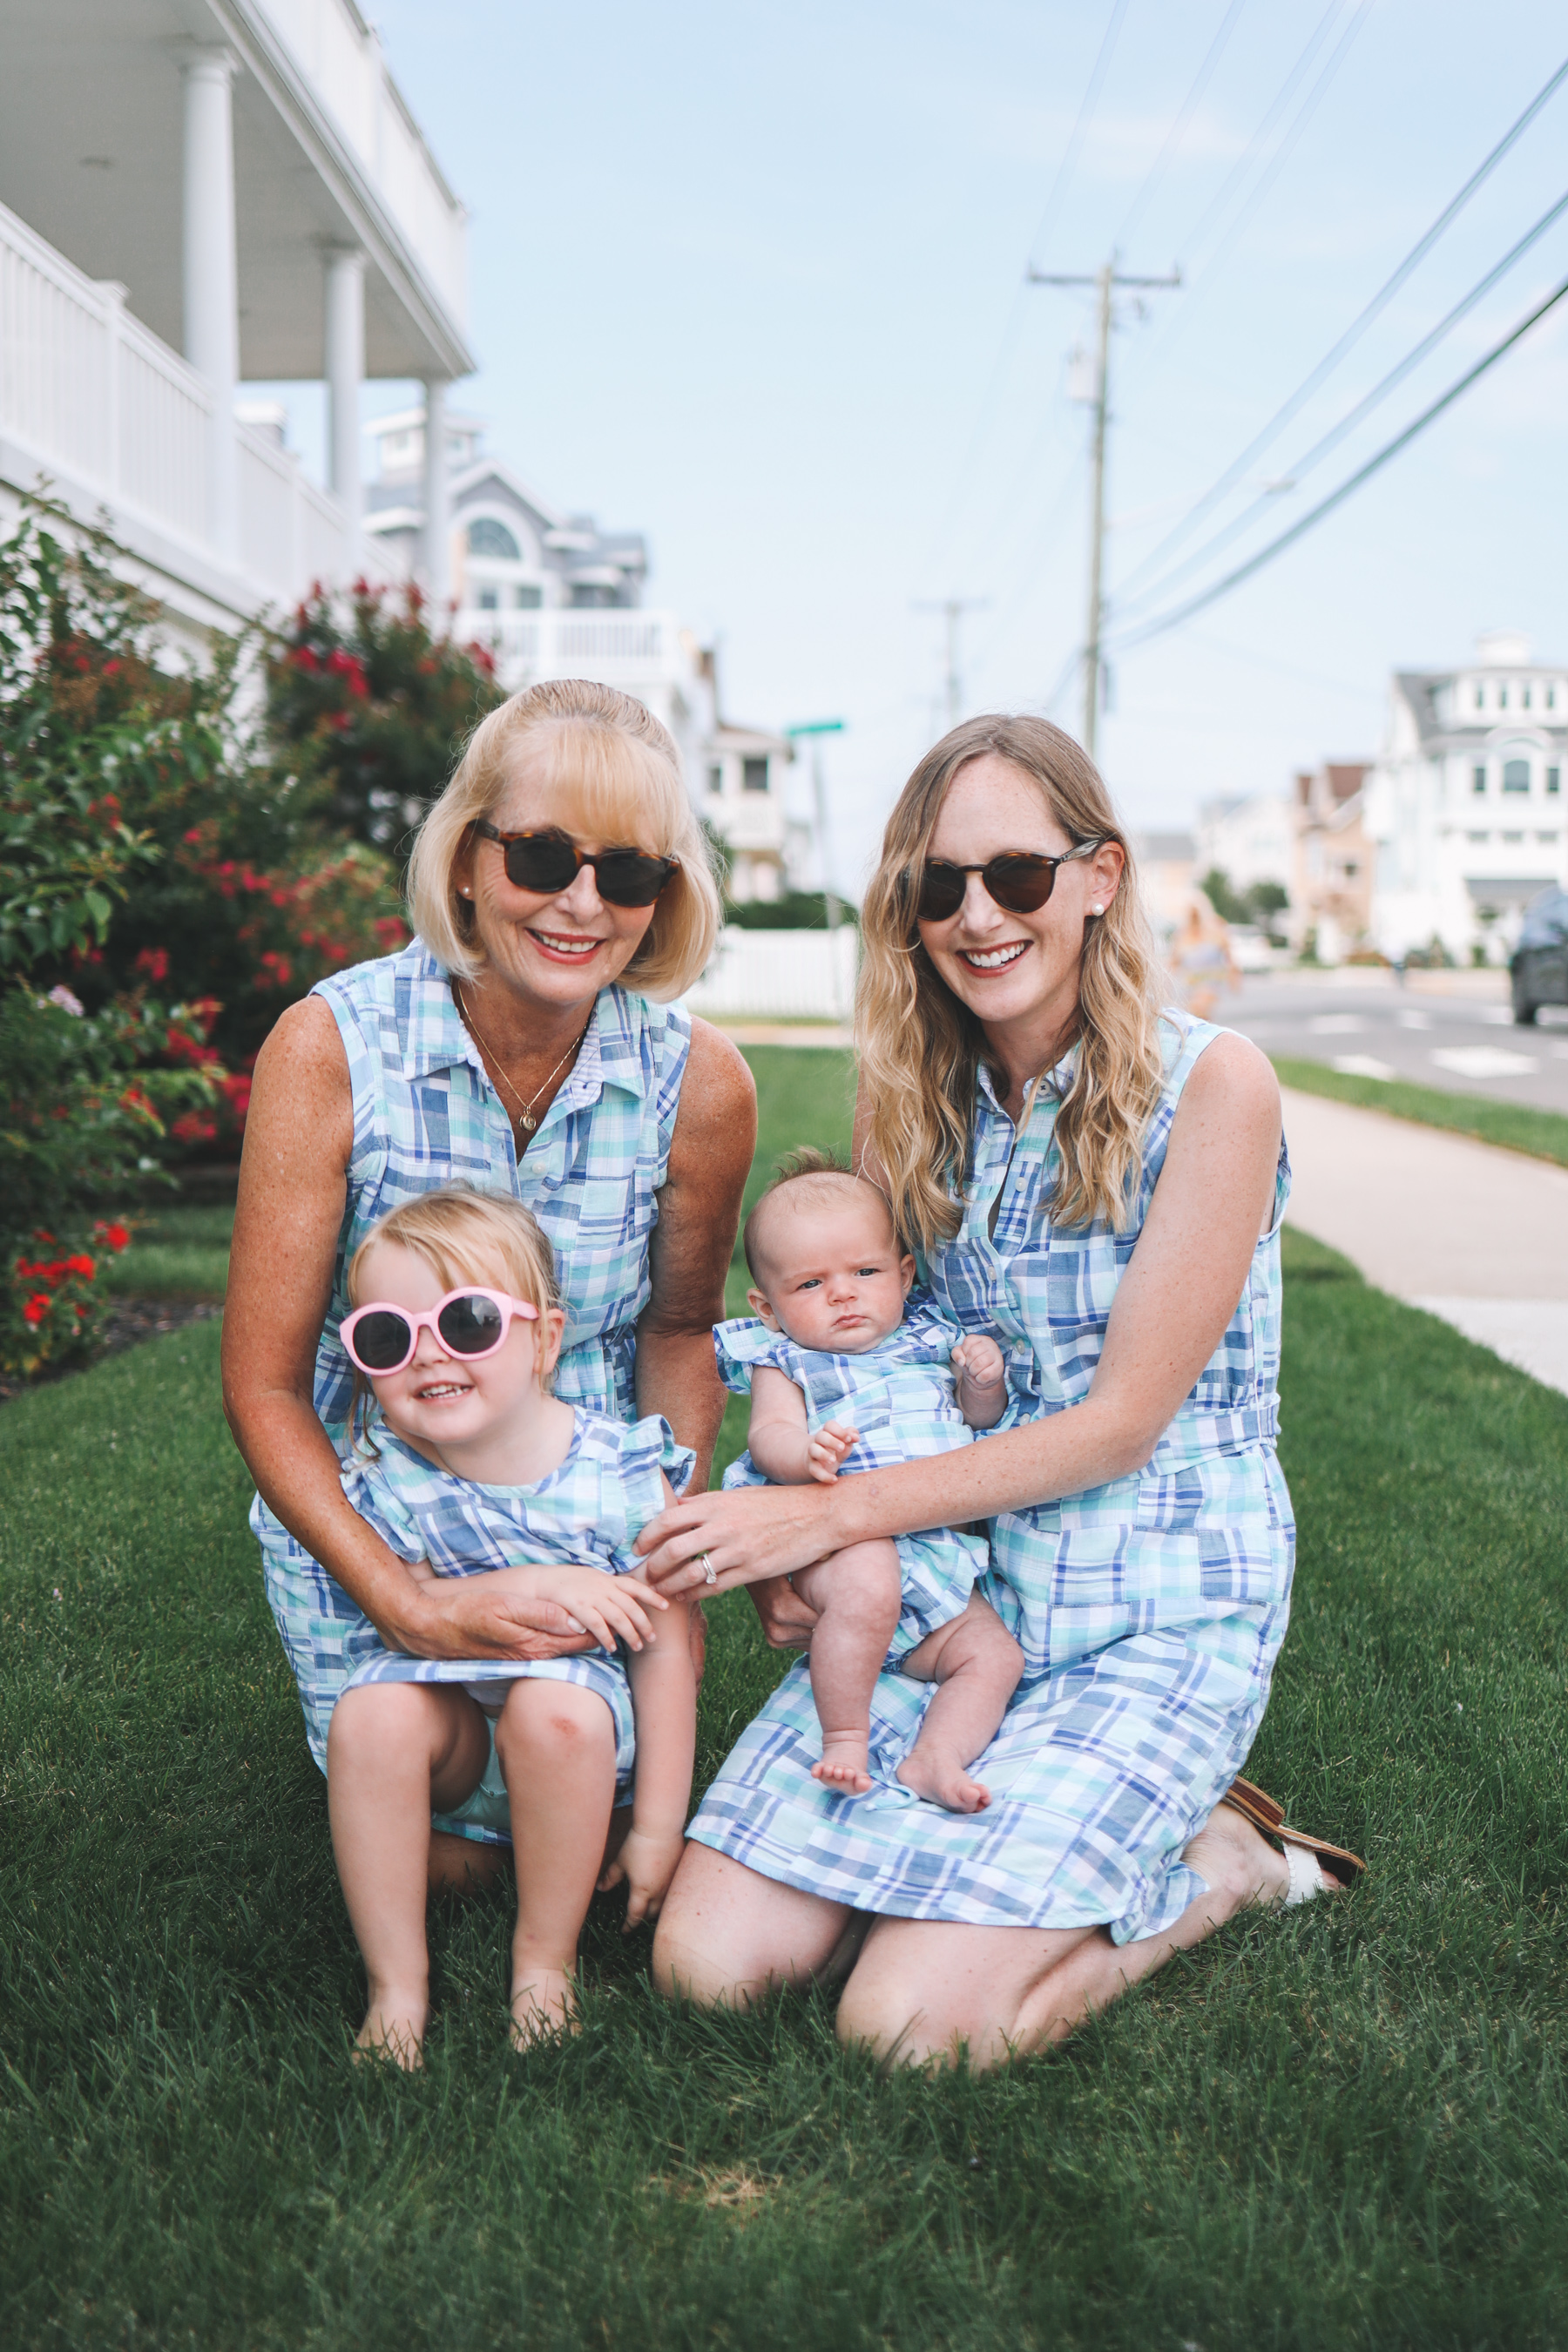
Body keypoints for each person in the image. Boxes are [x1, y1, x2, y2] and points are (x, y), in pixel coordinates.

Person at [639, 714, 1364, 2071]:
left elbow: (1119, 1424)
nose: (978, 915)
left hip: (1152, 1600)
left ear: (1100, 876)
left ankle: (1226, 1863)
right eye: (938, 885)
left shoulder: (1214, 1085)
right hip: (957, 1593)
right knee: (707, 1969)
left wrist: (820, 1525)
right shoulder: (906, 1100)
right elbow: (854, 1360)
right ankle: (972, 1872)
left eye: (1017, 876)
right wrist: (824, 1539)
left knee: (910, 2030)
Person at [223, 679, 754, 1896]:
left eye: (628, 874)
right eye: (544, 856)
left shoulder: (702, 1084)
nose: (583, 903)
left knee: (536, 1827)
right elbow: (262, 1384)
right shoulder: (329, 1046)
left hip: (583, 1535)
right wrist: (405, 1600)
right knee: (435, 1848)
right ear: (466, 859)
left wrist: (660, 1554)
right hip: (377, 1532)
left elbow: (680, 1332)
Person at [328, 1189, 695, 2061]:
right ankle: (396, 1989)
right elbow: (415, 1604)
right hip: (454, 1772)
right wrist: (538, 1577)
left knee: (552, 1707)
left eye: (468, 1322)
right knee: (371, 1710)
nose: (429, 1356)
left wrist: (657, 1827)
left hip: (575, 1769)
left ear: (545, 1339)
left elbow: (668, 1650)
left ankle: (543, 1965)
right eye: (388, 1336)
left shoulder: (618, 1470)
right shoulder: (389, 1476)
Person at [716, 1150, 1022, 1809]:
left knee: (996, 1657)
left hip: (937, 1562)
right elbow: (767, 1438)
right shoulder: (786, 1358)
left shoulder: (932, 1339)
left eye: (864, 1271)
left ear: (904, 1275)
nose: (843, 1293)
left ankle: (934, 1757)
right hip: (847, 1549)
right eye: (809, 1285)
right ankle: (846, 1738)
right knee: (870, 1580)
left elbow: (977, 1423)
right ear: (766, 1308)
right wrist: (807, 1456)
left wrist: (982, 1382)